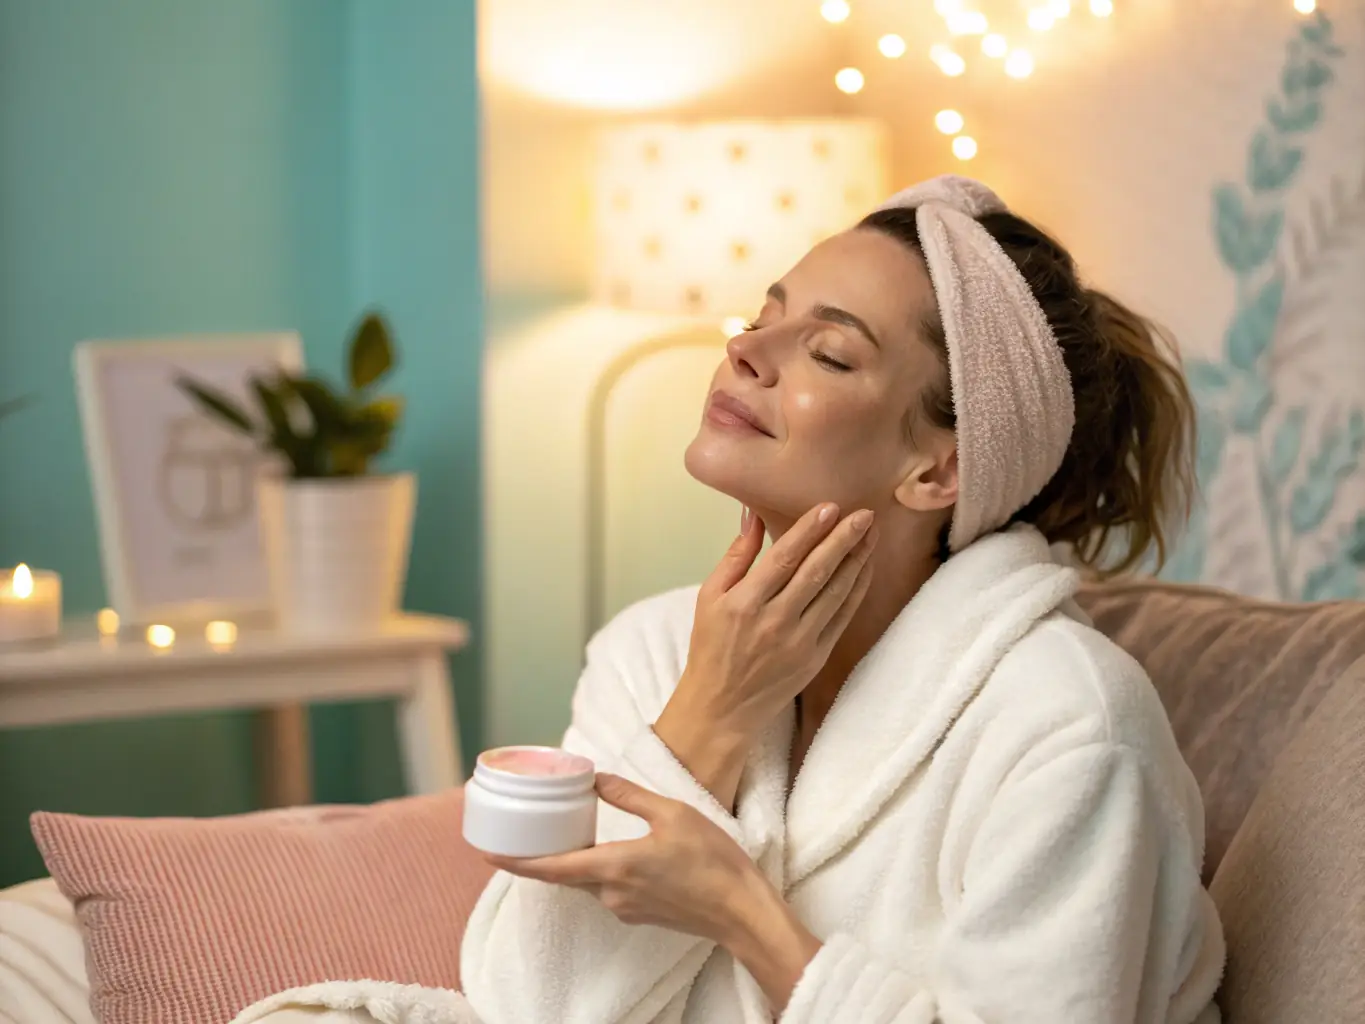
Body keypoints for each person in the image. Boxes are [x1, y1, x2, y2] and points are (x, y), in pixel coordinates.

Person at [460, 175, 1225, 1024]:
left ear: (938, 470)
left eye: (828, 353)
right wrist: (710, 710)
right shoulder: (653, 651)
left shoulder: (1070, 725)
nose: (746, 350)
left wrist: (743, 915)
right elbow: (525, 1008)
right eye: (764, 316)